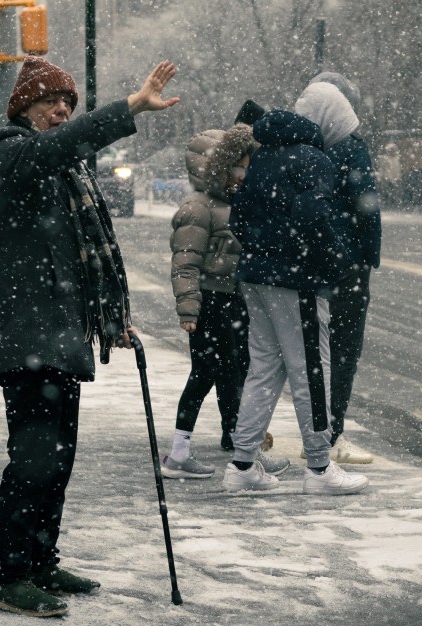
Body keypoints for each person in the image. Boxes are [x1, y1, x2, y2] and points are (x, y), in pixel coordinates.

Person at [0, 57, 179, 618]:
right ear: (25, 108)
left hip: (59, 338)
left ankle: (41, 561)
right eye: (50, 103)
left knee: (58, 459)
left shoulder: (62, 174)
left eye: (67, 103)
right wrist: (131, 106)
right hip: (24, 338)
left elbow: (74, 258)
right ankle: (8, 576)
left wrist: (110, 316)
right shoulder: (11, 153)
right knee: (33, 460)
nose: (61, 111)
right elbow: (60, 146)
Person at [224, 92, 369, 496]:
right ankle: (320, 467)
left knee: (264, 369)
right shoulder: (312, 159)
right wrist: (337, 261)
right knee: (311, 371)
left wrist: (263, 250)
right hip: (296, 281)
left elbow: (238, 218)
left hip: (255, 277)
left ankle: (242, 462)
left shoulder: (261, 158)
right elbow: (313, 219)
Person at [162, 125, 288, 480]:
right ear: (218, 168)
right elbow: (185, 263)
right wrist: (189, 309)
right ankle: (179, 453)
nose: (242, 175)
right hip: (211, 303)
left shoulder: (238, 204)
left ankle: (242, 447)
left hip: (237, 301)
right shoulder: (198, 208)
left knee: (237, 374)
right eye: (237, 167)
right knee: (204, 375)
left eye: (247, 167)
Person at [296, 75, 382, 465]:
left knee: (310, 352)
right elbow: (367, 209)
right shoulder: (351, 148)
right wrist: (367, 258)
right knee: (344, 351)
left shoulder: (300, 151)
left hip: (309, 264)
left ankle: (315, 430)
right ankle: (332, 433)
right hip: (347, 266)